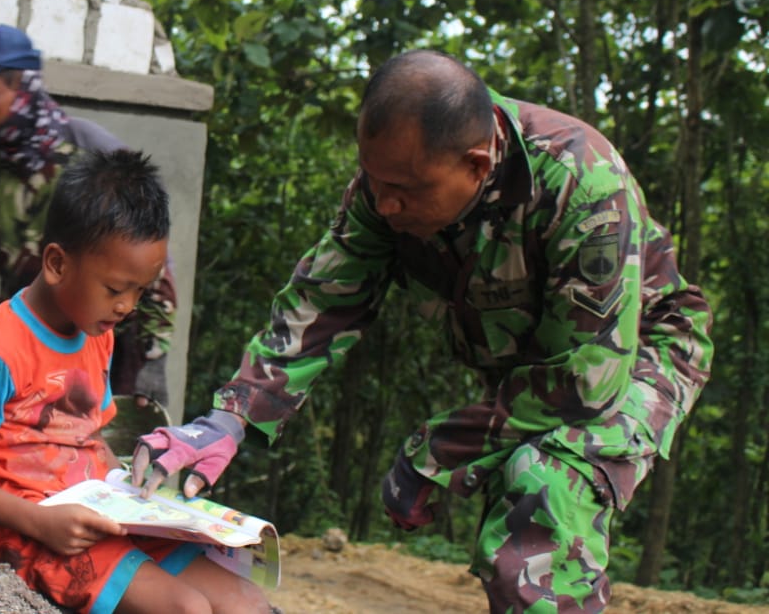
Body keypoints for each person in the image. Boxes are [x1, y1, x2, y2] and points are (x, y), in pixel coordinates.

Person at [133, 50, 714, 613]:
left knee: (547, 481)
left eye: (405, 190)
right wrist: (228, 420)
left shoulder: (583, 186)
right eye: (373, 179)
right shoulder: (388, 185)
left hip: (637, 351)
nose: (384, 204)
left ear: (476, 166)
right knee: (518, 498)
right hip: (533, 371)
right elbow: (323, 299)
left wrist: (435, 452)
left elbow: (585, 384)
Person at [0, 148, 269, 614]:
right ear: (56, 263)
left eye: (140, 291)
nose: (127, 306)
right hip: (36, 526)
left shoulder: (95, 331)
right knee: (187, 608)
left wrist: (138, 493)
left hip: (102, 510)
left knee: (246, 602)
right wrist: (39, 522)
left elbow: (89, 436)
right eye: (115, 289)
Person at [0, 24, 175, 406]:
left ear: (21, 84)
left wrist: (152, 361)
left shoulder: (92, 152)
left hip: (102, 342)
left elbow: (149, 263)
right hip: (24, 340)